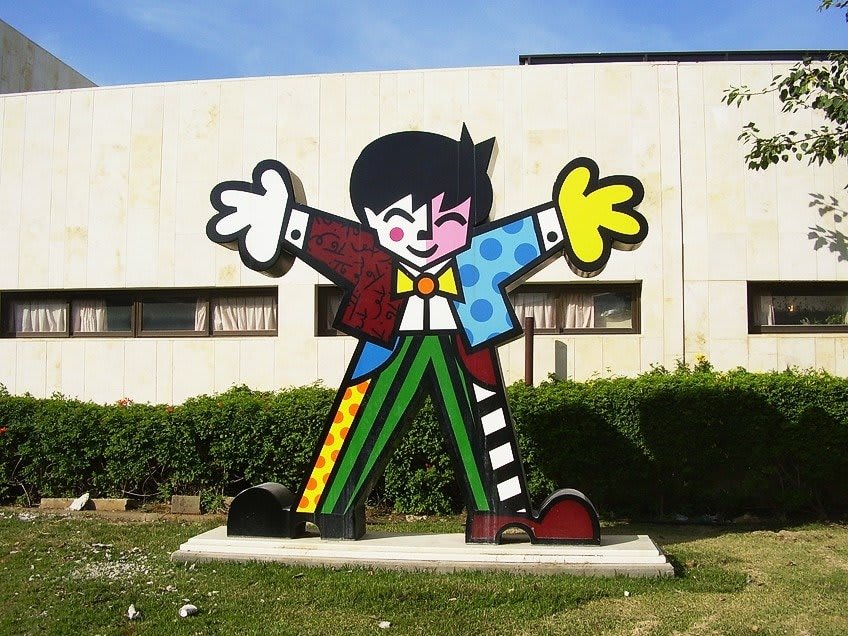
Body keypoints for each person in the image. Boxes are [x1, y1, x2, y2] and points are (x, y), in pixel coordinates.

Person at [207, 125, 647, 543]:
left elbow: (526, 236)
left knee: (483, 419)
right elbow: (326, 237)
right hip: (388, 340)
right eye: (399, 219)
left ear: (473, 215)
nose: (423, 233)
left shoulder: (480, 254)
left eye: (447, 219)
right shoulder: (369, 256)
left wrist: (571, 217)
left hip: (462, 340)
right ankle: (323, 506)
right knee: (358, 417)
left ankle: (502, 512)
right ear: (370, 219)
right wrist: (279, 219)